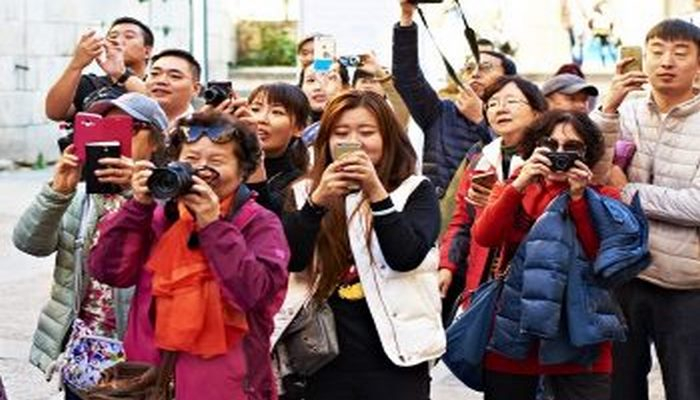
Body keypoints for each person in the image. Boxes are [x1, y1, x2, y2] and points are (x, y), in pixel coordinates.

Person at [88, 111, 290, 399]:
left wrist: (214, 227)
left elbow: (255, 296)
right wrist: (138, 208)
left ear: (244, 170)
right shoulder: (159, 216)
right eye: (191, 160)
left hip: (227, 387)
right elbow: (109, 272)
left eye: (217, 161)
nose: (202, 170)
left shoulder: (259, 223)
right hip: (148, 381)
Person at [279, 91, 444, 399]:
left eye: (367, 132)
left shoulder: (414, 190)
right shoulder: (304, 193)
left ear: (389, 137)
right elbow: (292, 260)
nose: (354, 141)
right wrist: (316, 204)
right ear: (326, 141)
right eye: (341, 133)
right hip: (323, 356)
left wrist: (376, 191)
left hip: (397, 356)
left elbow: (404, 256)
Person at [472, 110, 641, 400]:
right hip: (516, 333)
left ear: (587, 154)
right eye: (549, 145)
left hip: (580, 342)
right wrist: (518, 185)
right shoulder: (514, 188)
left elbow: (602, 261)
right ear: (534, 148)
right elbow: (485, 236)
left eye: (572, 148)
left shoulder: (604, 199)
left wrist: (579, 199)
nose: (559, 154)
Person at [12, 93, 168, 399]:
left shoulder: (168, 198)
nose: (115, 138)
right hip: (84, 348)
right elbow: (30, 243)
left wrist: (138, 192)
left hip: (140, 351)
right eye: (103, 129)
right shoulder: (83, 197)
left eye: (129, 127)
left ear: (157, 142)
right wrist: (56, 192)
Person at [591, 18, 700, 400]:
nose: (666, 61)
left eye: (680, 52)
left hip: (686, 284)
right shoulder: (628, 112)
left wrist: (630, 192)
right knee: (619, 388)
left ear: (698, 66)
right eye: (657, 51)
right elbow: (592, 174)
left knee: (688, 389)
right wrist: (607, 109)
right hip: (623, 275)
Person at [438, 76, 547, 323]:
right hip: (481, 279)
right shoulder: (480, 159)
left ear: (538, 114)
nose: (501, 108)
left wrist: (499, 198)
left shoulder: (547, 161)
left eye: (511, 101)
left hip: (531, 280)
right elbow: (462, 221)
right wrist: (447, 266)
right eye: (493, 103)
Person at [393, 0, 517, 198]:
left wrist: (481, 120)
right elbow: (407, 78)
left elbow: (513, 161)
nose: (475, 73)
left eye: (485, 67)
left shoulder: (520, 117)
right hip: (443, 218)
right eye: (470, 68)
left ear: (508, 80)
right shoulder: (442, 112)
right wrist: (407, 16)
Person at [45, 17, 153, 121]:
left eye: (129, 36)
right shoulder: (90, 84)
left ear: (147, 52)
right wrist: (76, 65)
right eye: (113, 36)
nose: (117, 41)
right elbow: (55, 113)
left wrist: (122, 74)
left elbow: (157, 111)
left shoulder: (156, 85)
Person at [247, 83, 312, 215]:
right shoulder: (228, 166)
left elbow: (266, 226)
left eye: (277, 112)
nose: (261, 119)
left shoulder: (300, 185)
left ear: (299, 128)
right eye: (255, 109)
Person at [351, 52, 410, 131]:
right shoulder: (345, 114)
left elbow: (402, 107)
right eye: (364, 81)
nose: (368, 86)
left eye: (373, 82)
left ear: (384, 89)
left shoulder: (390, 117)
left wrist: (378, 72)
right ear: (354, 86)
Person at [298, 61, 350, 145]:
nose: (318, 87)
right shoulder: (291, 128)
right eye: (311, 80)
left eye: (329, 78)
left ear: (346, 87)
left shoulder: (353, 125)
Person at [146, 49, 202, 124]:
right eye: (154, 74)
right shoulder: (128, 122)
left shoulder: (208, 130)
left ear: (195, 89)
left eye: (174, 76)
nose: (161, 81)